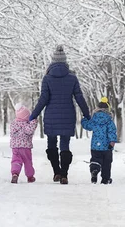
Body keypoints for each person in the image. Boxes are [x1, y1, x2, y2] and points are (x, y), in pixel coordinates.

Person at [29, 45, 90, 184]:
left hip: (51, 116)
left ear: (53, 61)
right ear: (65, 61)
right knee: (65, 145)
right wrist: (87, 114)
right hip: (68, 115)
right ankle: (64, 174)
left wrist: (33, 115)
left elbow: (43, 99)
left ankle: (56, 171)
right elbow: (79, 97)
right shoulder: (72, 78)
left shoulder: (47, 78)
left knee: (51, 144)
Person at [81, 97, 117, 184]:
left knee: (95, 159)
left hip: (95, 146)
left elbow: (87, 126)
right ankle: (105, 179)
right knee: (107, 163)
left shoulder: (94, 119)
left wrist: (84, 119)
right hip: (107, 147)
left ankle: (94, 170)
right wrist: (112, 142)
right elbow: (112, 131)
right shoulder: (109, 120)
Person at [10, 104, 38, 184]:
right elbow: (30, 130)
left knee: (15, 160)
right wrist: (34, 121)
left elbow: (12, 134)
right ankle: (30, 176)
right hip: (25, 147)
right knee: (27, 161)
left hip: (15, 147)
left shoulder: (13, 124)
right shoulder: (27, 125)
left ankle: (15, 173)